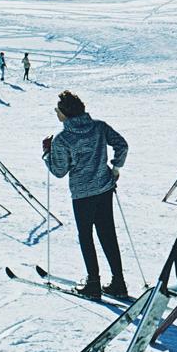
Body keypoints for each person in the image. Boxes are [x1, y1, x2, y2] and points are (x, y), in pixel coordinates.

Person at [42, 90, 130, 301]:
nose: (56, 113)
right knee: (108, 234)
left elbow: (59, 171)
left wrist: (47, 153)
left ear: (65, 113)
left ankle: (93, 284)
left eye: (57, 110)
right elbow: (122, 145)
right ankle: (119, 282)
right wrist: (115, 169)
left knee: (86, 236)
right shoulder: (98, 127)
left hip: (82, 194)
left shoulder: (63, 139)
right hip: (104, 188)